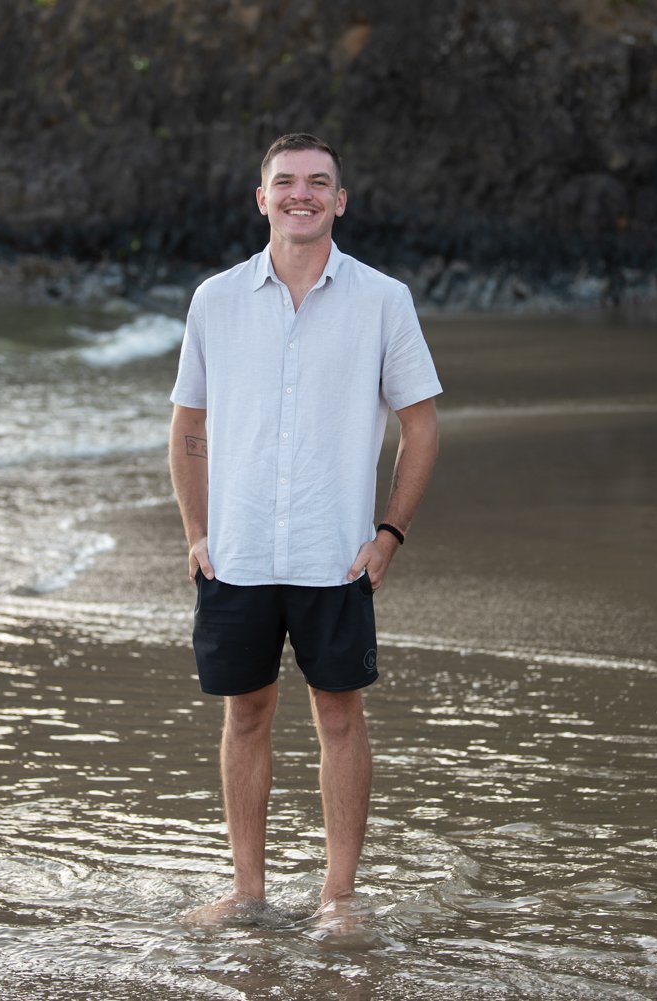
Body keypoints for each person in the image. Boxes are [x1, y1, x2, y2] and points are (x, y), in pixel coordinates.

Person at [167, 133, 442, 928]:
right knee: (244, 715)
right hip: (238, 554)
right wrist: (196, 531)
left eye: (318, 183)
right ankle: (248, 891)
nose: (301, 194)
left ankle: (338, 896)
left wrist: (389, 533)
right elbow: (190, 422)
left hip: (335, 554)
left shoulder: (383, 299)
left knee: (338, 717)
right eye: (284, 182)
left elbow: (421, 427)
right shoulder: (215, 300)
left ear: (340, 201)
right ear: (262, 200)